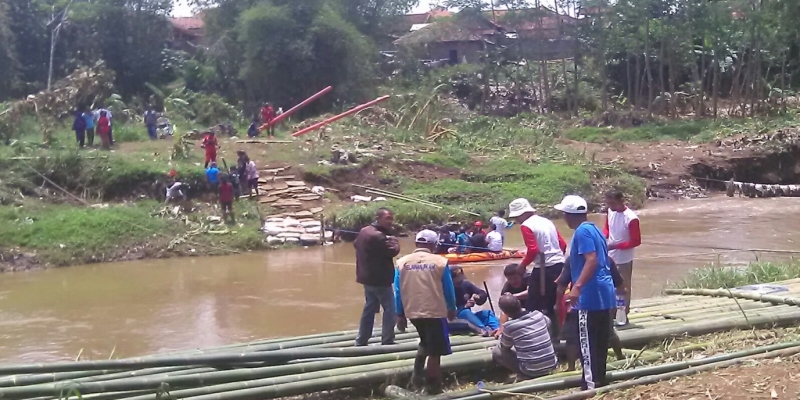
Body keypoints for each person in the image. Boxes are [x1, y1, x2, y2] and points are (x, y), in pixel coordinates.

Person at [554, 195, 616, 390]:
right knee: (600, 339)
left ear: (568, 215)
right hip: (604, 292)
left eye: (563, 214)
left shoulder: (581, 232)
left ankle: (589, 384)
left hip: (589, 294)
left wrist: (577, 287)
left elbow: (591, 260)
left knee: (586, 342)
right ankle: (599, 379)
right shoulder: (595, 229)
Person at [394, 229, 457, 394]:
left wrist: (399, 314)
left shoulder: (402, 262)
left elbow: (398, 290)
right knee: (435, 351)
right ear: (433, 244)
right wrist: (452, 308)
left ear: (416, 243)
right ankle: (432, 387)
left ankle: (416, 377)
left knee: (425, 342)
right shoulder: (440, 262)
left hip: (412, 312)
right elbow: (448, 289)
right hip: (434, 312)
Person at [508, 198, 567, 332]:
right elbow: (562, 244)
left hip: (544, 268)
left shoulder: (526, 225)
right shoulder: (547, 222)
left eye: (517, 217)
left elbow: (533, 250)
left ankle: (534, 334)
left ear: (522, 214)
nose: (517, 220)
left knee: (533, 304)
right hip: (559, 264)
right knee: (553, 301)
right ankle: (557, 332)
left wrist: (522, 266)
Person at [555, 257, 625, 372]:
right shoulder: (606, 259)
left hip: (580, 303)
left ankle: (572, 367)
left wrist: (558, 303)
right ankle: (619, 356)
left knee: (572, 335)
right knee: (608, 332)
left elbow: (562, 285)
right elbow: (619, 283)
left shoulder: (573, 260)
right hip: (601, 302)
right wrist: (619, 299)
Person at [354, 208, 400, 347]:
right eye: (387, 218)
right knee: (390, 310)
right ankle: (387, 340)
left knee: (369, 308)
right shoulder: (378, 236)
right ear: (378, 218)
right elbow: (392, 251)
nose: (390, 221)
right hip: (380, 280)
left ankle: (361, 340)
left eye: (391, 218)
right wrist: (394, 240)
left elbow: (355, 244)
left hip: (366, 278)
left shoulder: (364, 231)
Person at [492, 294, 557, 379]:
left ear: (505, 313)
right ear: (519, 303)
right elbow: (549, 324)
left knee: (497, 352)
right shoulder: (539, 315)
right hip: (552, 365)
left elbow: (504, 347)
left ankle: (524, 374)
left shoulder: (509, 326)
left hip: (531, 371)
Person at [603, 190, 641, 318]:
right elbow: (607, 228)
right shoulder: (610, 211)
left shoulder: (631, 218)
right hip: (610, 256)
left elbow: (636, 241)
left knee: (623, 286)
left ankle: (623, 313)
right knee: (609, 284)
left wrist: (615, 246)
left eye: (612, 203)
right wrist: (603, 237)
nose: (610, 206)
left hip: (624, 258)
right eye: (608, 203)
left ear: (621, 201)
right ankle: (611, 312)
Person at [450, 266, 499, 336]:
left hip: (469, 318)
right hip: (457, 321)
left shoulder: (465, 284)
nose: (460, 282)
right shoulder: (446, 291)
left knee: (487, 313)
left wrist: (477, 297)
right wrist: (465, 306)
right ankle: (485, 330)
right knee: (465, 312)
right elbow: (448, 314)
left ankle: (497, 329)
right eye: (457, 281)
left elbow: (482, 293)